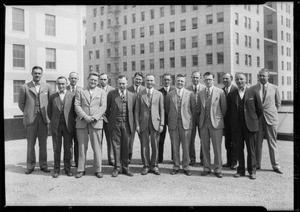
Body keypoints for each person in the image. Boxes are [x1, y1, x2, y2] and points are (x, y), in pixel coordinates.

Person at [227, 72, 263, 180]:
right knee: (239, 149)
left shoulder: (253, 93)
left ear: (245, 79)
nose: (239, 81)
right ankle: (241, 170)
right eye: (237, 79)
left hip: (250, 126)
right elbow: (230, 112)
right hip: (237, 127)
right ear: (235, 81)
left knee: (251, 149)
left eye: (241, 79)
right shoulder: (231, 94)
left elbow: (260, 110)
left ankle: (252, 171)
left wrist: (253, 120)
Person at [18, 66, 52, 174]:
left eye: (39, 73)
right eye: (35, 73)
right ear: (31, 74)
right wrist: (28, 112)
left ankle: (43, 165)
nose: (37, 75)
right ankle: (30, 166)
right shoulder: (24, 87)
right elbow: (21, 104)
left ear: (42, 74)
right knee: (30, 143)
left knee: (43, 144)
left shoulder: (47, 86)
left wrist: (47, 114)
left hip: (43, 119)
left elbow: (50, 103)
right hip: (30, 120)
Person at [74, 71, 107, 178]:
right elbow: (77, 105)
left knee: (97, 147)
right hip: (82, 121)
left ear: (97, 82)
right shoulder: (80, 91)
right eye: (91, 79)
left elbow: (103, 107)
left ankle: (98, 169)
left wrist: (94, 117)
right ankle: (81, 169)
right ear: (88, 80)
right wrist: (85, 116)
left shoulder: (102, 92)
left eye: (95, 80)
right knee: (82, 147)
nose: (93, 81)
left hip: (96, 122)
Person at [252, 68, 283, 174]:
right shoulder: (253, 89)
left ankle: (276, 165)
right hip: (258, 120)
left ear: (268, 77)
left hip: (271, 119)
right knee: (257, 143)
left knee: (272, 142)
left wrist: (271, 113)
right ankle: (256, 164)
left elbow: (278, 104)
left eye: (263, 76)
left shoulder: (275, 88)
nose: (261, 77)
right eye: (260, 75)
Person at [166, 74, 196, 176]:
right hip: (173, 124)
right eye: (178, 81)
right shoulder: (170, 94)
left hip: (186, 124)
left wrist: (190, 121)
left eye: (182, 81)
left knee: (186, 147)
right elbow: (167, 109)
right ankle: (176, 166)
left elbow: (193, 110)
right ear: (175, 81)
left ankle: (186, 167)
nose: (180, 83)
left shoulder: (190, 94)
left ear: (185, 83)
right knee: (175, 146)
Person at [198, 72, 227, 178]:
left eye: (210, 79)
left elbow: (223, 108)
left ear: (213, 80)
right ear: (204, 81)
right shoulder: (201, 92)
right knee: (205, 147)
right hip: (204, 124)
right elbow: (198, 108)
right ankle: (206, 167)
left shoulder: (220, 92)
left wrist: (217, 118)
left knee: (217, 148)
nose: (208, 81)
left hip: (216, 124)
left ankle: (218, 169)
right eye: (206, 80)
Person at [106, 75, 135, 177]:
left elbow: (134, 112)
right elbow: (107, 110)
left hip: (127, 124)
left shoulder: (132, 95)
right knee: (116, 146)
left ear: (127, 84)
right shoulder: (111, 94)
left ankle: (126, 167)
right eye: (120, 84)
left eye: (123, 83)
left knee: (126, 146)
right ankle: (117, 168)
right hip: (115, 124)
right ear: (116, 84)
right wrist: (110, 122)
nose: (122, 86)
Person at [135, 74, 164, 175]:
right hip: (143, 122)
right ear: (145, 82)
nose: (149, 82)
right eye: (148, 81)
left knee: (155, 145)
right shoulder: (140, 94)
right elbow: (137, 111)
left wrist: (162, 124)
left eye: (151, 81)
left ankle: (154, 165)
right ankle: (146, 165)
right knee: (144, 145)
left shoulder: (159, 94)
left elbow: (162, 110)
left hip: (155, 122)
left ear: (155, 82)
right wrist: (137, 124)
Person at [48, 76, 76, 178]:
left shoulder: (72, 96)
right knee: (57, 149)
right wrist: (55, 121)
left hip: (68, 126)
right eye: (59, 84)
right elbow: (49, 112)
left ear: (66, 84)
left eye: (63, 84)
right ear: (57, 84)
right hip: (56, 126)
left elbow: (74, 112)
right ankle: (56, 170)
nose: (61, 85)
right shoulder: (52, 96)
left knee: (68, 148)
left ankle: (68, 169)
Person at [186, 71, 205, 166]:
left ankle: (203, 158)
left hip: (202, 117)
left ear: (200, 78)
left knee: (203, 138)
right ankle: (192, 158)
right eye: (193, 77)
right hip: (191, 118)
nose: (195, 79)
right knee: (190, 139)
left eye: (197, 77)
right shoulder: (187, 89)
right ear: (191, 78)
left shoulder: (204, 89)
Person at [127, 72, 146, 163]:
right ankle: (128, 158)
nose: (138, 81)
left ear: (142, 80)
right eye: (136, 79)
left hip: (141, 120)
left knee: (143, 140)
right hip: (130, 119)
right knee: (129, 140)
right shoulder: (128, 89)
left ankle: (144, 159)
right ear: (133, 79)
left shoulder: (145, 90)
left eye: (140, 79)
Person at [222, 73, 238, 170]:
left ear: (231, 79)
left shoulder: (235, 90)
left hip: (234, 121)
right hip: (225, 121)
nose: (225, 80)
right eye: (223, 79)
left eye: (227, 78)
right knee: (227, 142)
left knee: (234, 142)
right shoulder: (222, 90)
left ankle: (234, 162)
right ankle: (228, 161)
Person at [158, 73, 175, 163]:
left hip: (172, 117)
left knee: (174, 138)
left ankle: (174, 157)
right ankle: (159, 158)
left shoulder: (174, 91)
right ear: (162, 80)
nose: (166, 81)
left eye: (168, 79)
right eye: (165, 79)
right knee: (160, 138)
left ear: (171, 81)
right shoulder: (158, 92)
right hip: (162, 118)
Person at [99, 73, 115, 166]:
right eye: (101, 79)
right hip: (98, 119)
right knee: (98, 141)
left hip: (109, 119)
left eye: (104, 79)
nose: (103, 81)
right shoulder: (95, 90)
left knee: (110, 140)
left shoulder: (112, 90)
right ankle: (98, 160)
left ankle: (111, 159)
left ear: (107, 80)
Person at [66, 72, 81, 168]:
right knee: (68, 143)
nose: (73, 80)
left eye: (75, 78)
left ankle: (78, 161)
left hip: (79, 120)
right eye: (71, 78)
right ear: (69, 79)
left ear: (77, 79)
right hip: (68, 120)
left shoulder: (81, 90)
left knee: (78, 142)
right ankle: (69, 161)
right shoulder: (64, 88)